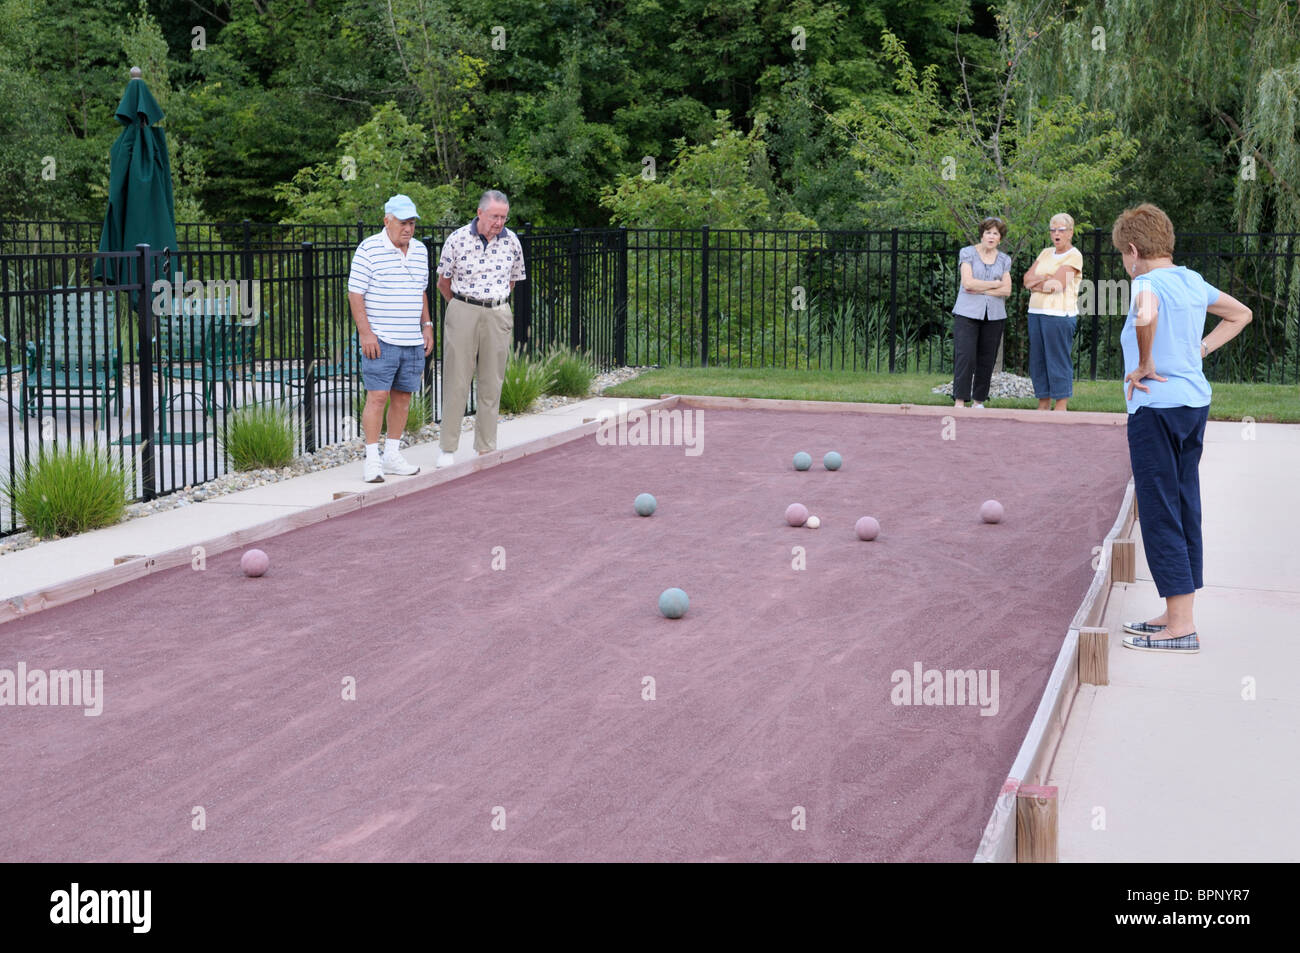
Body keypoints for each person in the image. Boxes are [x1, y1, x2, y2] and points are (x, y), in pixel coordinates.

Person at [1114, 203, 1252, 654]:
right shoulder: (1192, 280)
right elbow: (1241, 313)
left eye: (1122, 255)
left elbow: (1147, 315)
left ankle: (1182, 628)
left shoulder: (1146, 283)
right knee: (1183, 501)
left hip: (1157, 410)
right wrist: (1201, 349)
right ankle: (1177, 614)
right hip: (1193, 405)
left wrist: (1148, 361)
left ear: (1133, 250)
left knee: (1159, 509)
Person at [434, 190, 526, 467]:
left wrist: (493, 303)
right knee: (456, 380)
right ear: (480, 213)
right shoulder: (458, 239)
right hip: (463, 309)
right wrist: (463, 306)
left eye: (504, 217)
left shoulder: (512, 241)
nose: (499, 222)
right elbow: (443, 282)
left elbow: (513, 280)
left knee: (491, 382)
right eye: (495, 216)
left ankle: (486, 447)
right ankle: (447, 449)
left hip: (497, 312)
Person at [347, 194, 433, 483]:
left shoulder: (420, 251)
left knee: (403, 397)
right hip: (381, 338)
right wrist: (366, 333)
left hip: (412, 339)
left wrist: (427, 324)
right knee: (378, 397)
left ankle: (392, 454)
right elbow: (355, 293)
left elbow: (421, 290)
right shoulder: (368, 248)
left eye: (412, 223)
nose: (408, 229)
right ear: (387, 220)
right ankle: (372, 459)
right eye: (402, 222)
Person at [1023, 213, 1084, 411]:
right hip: (1036, 313)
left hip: (1059, 315)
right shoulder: (1046, 253)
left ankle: (1061, 405)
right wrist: (1044, 280)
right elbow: (1026, 279)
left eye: (1061, 230)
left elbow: (1057, 284)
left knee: (1057, 359)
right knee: (1038, 360)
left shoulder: (1074, 255)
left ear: (1070, 233)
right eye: (1053, 230)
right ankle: (1043, 403)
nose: (1056, 234)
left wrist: (1038, 282)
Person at [951, 218, 1012, 408]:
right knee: (966, 357)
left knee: (987, 360)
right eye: (988, 232)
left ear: (1000, 238)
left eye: (995, 233)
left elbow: (1007, 290)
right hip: (967, 313)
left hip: (994, 315)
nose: (991, 236)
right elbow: (967, 283)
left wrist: (982, 289)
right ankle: (960, 400)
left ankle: (979, 401)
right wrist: (995, 283)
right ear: (982, 234)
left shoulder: (1004, 259)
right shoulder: (967, 253)